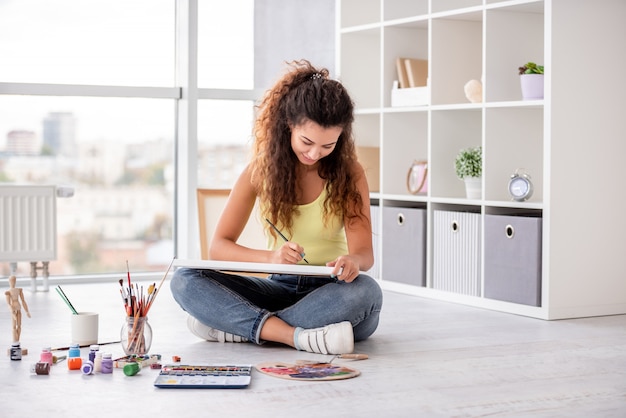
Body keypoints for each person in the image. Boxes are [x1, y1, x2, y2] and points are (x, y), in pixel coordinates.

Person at [170, 60, 383, 355]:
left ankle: (245, 328)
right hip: (278, 288)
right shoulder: (259, 171)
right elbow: (219, 247)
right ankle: (296, 336)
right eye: (306, 141)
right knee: (185, 280)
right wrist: (272, 257)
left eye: (327, 146)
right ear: (289, 125)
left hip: (331, 291)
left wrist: (352, 262)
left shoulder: (350, 172)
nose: (314, 153)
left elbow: (365, 254)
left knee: (366, 293)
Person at [5, 275, 31, 343]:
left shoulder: (19, 290)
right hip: (13, 310)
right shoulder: (8, 292)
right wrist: (12, 312)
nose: (13, 282)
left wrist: (27, 311)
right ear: (9, 282)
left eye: (14, 281)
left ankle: (17, 341)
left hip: (19, 309)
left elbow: (23, 300)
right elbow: (8, 304)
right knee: (13, 326)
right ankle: (15, 341)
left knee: (19, 325)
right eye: (11, 281)